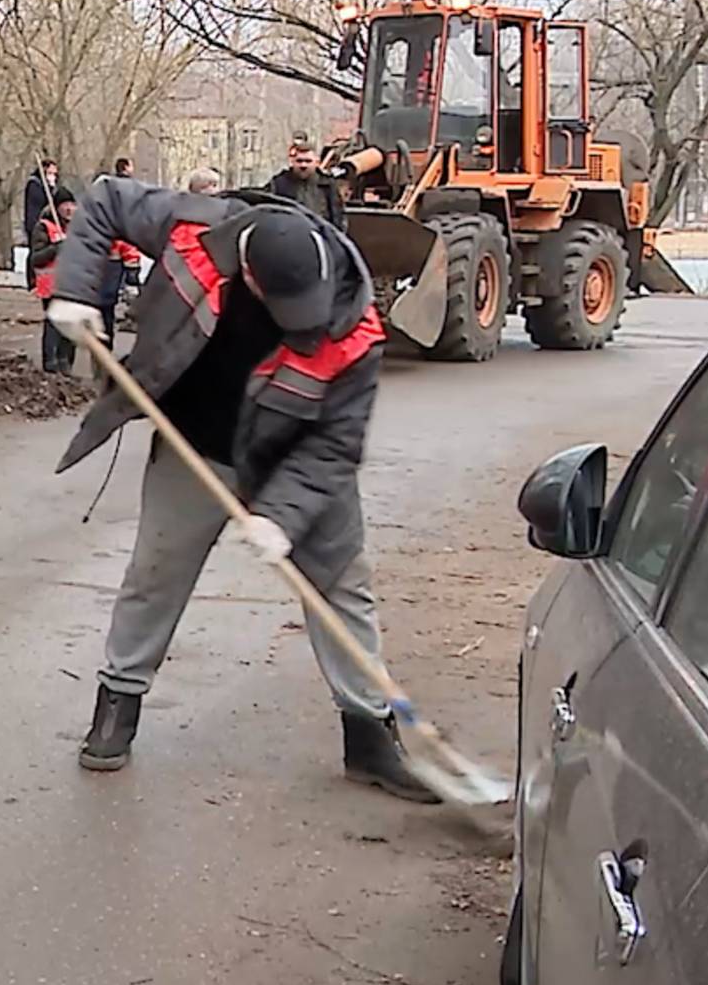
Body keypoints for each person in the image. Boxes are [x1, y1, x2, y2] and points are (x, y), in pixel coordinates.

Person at [41, 178, 437, 802]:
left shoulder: (351, 321)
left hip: (295, 455)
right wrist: (75, 289)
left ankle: (370, 734)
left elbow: (336, 445)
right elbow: (104, 203)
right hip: (196, 439)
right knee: (156, 573)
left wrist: (282, 514)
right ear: (250, 274)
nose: (305, 327)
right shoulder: (192, 228)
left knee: (340, 587)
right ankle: (117, 704)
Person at [26, 188, 76, 373]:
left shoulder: (79, 227)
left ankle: (66, 362)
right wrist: (56, 248)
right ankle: (51, 363)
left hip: (74, 284)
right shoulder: (44, 227)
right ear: (57, 207)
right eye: (65, 205)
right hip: (52, 285)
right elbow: (36, 258)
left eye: (72, 204)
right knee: (55, 323)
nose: (70, 209)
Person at [267, 138, 346, 229]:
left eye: (308, 161)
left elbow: (338, 219)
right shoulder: (278, 184)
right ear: (292, 162)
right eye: (299, 161)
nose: (303, 165)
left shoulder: (327, 185)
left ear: (317, 162)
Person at [22, 159, 62, 286]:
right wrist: (49, 187)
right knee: (34, 252)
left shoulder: (49, 185)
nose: (53, 175)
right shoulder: (34, 184)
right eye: (51, 172)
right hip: (34, 222)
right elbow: (40, 201)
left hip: (46, 223)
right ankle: (31, 279)